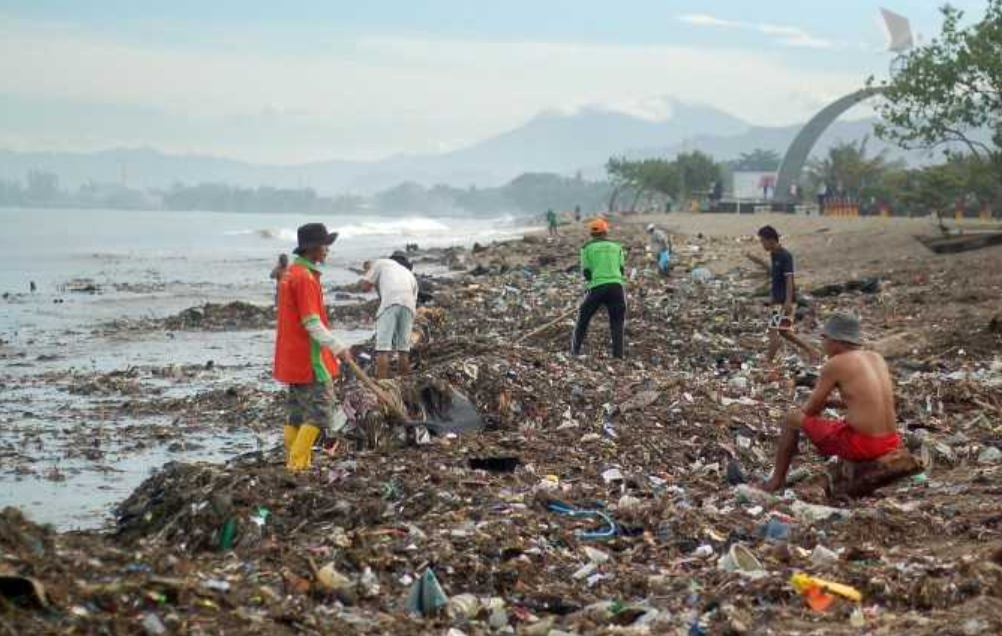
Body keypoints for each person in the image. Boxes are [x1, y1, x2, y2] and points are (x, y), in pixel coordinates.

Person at [763, 313, 901, 492]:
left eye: (824, 338)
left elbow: (810, 410)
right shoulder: (876, 358)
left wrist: (810, 410)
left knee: (791, 419)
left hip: (865, 445)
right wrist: (829, 403)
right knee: (839, 425)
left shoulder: (835, 363)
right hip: (891, 441)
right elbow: (866, 401)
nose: (823, 344)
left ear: (835, 341)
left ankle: (776, 481)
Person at [274, 224, 353, 472]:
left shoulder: (290, 273)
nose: (327, 250)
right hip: (309, 357)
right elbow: (311, 323)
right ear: (313, 249)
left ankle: (296, 461)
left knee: (297, 413)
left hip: (290, 356)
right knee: (320, 412)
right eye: (325, 246)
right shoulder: (305, 278)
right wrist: (338, 348)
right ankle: (297, 464)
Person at [746, 225, 819, 364]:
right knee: (784, 331)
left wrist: (788, 301)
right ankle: (811, 350)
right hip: (778, 300)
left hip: (783, 301)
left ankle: (768, 361)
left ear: (771, 240)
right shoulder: (774, 254)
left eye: (763, 241)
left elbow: (789, 278)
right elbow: (772, 272)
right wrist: (755, 260)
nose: (762, 244)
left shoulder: (785, 256)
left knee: (773, 331)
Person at [571, 219, 627, 359]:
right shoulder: (617, 247)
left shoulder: (586, 248)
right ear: (606, 231)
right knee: (617, 322)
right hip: (616, 288)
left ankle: (575, 351)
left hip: (597, 287)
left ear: (591, 234)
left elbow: (586, 273)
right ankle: (618, 356)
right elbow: (621, 270)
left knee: (583, 319)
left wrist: (592, 286)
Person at [360, 251, 419, 379]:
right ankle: (403, 381)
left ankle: (383, 383)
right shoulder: (409, 274)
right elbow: (413, 300)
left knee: (383, 349)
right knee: (403, 349)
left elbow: (364, 287)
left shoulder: (379, 263)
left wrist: (367, 275)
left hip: (391, 302)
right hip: (409, 305)